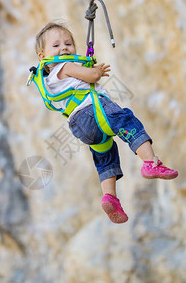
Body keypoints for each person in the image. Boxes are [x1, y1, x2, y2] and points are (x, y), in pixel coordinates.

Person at [35, 22, 178, 224]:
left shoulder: (50, 80)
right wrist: (97, 71)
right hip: (94, 109)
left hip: (80, 126)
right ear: (43, 56)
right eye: (56, 46)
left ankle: (110, 197)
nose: (64, 48)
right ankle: (150, 162)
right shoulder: (65, 66)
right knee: (127, 121)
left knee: (105, 154)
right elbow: (92, 76)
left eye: (68, 43)